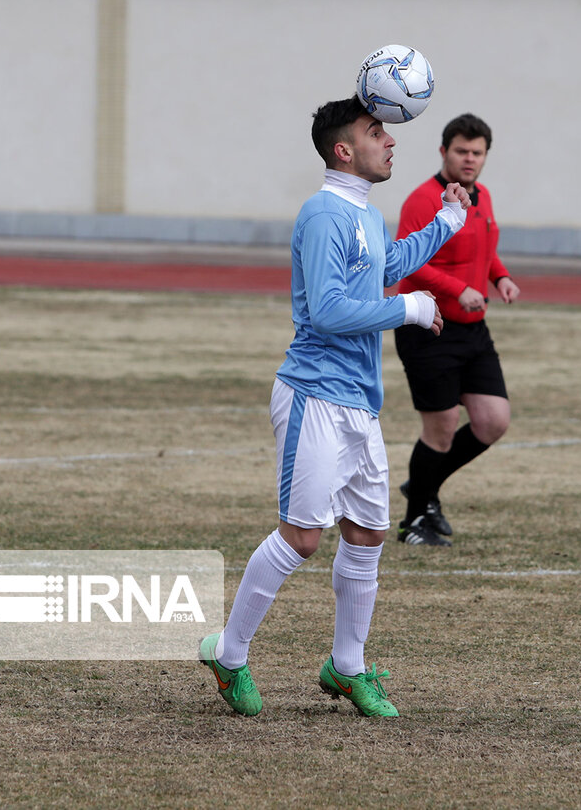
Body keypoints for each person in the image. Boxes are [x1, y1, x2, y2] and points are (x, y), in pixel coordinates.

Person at [198, 97, 471, 717]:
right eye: (378, 132)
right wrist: (411, 308)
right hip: (315, 394)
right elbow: (326, 310)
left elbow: (384, 267)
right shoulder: (323, 215)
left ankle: (346, 668)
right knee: (301, 538)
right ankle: (229, 652)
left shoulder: (365, 216)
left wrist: (443, 228)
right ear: (344, 150)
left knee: (370, 530)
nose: (392, 142)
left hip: (358, 402)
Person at [392, 113, 518, 547]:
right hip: (428, 325)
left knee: (493, 421)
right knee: (442, 426)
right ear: (443, 152)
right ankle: (415, 524)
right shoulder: (423, 200)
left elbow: (486, 250)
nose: (469, 159)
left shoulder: (483, 197)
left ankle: (423, 486)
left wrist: (498, 277)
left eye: (477, 152)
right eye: (461, 150)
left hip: (473, 330)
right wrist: (458, 288)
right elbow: (407, 262)